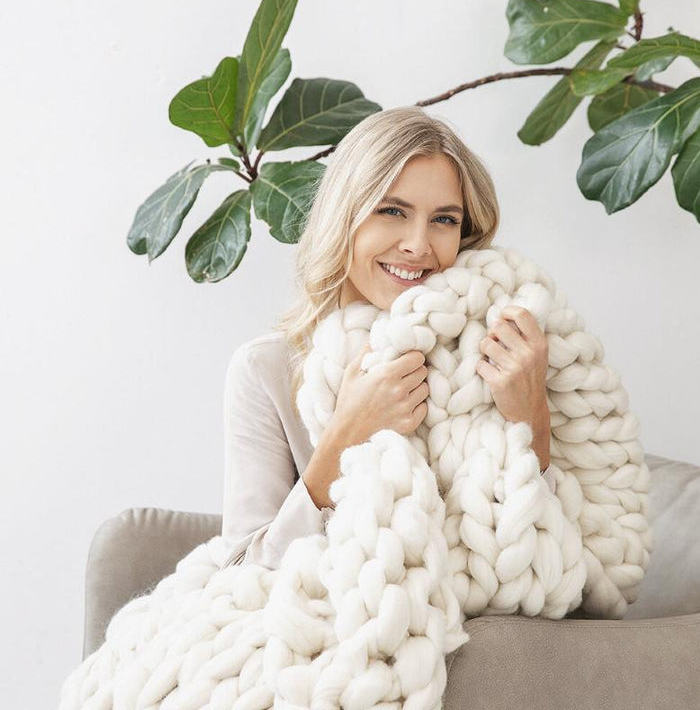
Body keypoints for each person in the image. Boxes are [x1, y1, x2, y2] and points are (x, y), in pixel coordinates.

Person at [220, 106, 554, 570]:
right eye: (392, 211)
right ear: (345, 217)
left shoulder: (508, 348)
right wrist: (345, 436)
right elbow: (239, 572)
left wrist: (531, 419)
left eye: (444, 220)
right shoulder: (268, 369)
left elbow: (558, 557)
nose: (418, 244)